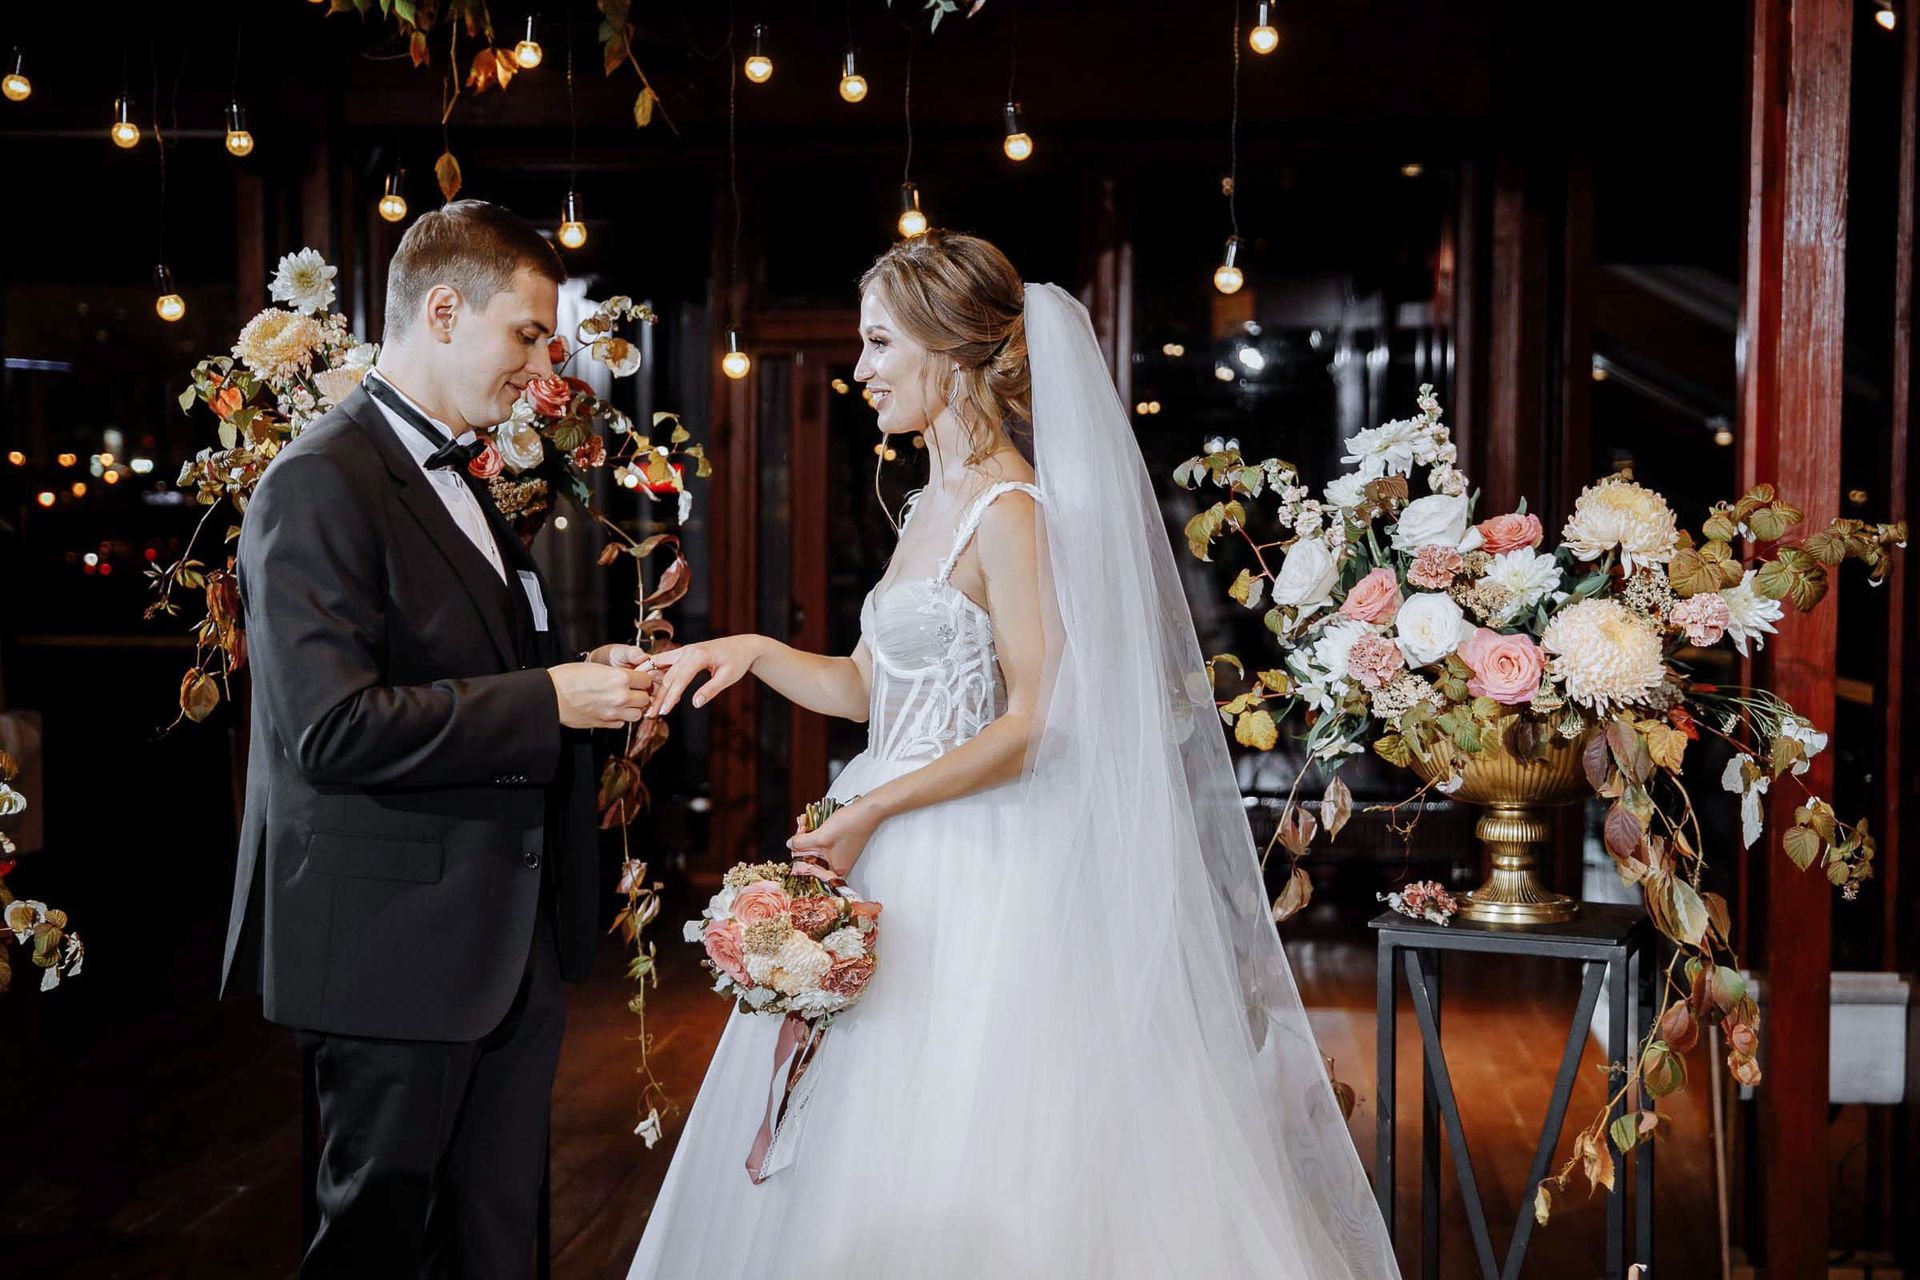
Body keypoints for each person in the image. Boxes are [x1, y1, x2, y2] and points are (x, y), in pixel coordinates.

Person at [629, 231, 1400, 1278]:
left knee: (979, 1119)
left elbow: (1040, 718)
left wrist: (875, 807)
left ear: (948, 350)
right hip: (891, 823)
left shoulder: (1012, 508)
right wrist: (754, 649)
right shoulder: (927, 504)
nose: (860, 369)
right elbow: (868, 687)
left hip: (981, 858)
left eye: (878, 342)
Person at [222, 199, 653, 1278]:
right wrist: (548, 699)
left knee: (499, 1242)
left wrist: (578, 682)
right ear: (447, 309)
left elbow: (473, 673)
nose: (541, 360)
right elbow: (329, 727)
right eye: (526, 332)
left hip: (498, 943)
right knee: (377, 1245)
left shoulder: (459, 475)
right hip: (390, 945)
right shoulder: (319, 479)